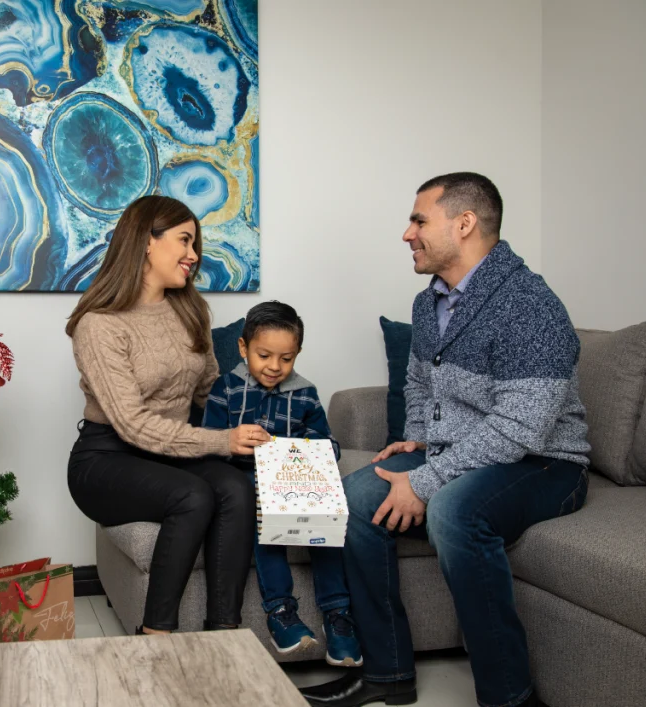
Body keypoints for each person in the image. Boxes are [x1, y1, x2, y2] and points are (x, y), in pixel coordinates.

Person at [301, 173, 590, 707]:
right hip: (465, 454)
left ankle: (509, 696)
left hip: (546, 463)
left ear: (464, 224)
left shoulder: (529, 304)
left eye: (418, 220)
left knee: (453, 512)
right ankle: (386, 675)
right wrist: (416, 441)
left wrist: (429, 479)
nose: (406, 234)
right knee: (357, 499)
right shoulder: (427, 302)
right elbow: (417, 383)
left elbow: (523, 427)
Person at [66, 195, 268, 635]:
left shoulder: (189, 310)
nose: (194, 255)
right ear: (146, 242)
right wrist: (221, 442)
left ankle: (224, 633)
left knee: (233, 487)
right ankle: (155, 634)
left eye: (195, 243)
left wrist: (264, 411)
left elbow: (207, 394)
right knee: (191, 496)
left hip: (170, 452)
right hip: (106, 458)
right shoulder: (100, 324)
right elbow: (133, 424)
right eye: (184, 240)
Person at [201, 300, 363, 666]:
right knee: (263, 520)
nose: (275, 367)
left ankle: (338, 617)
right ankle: (281, 613)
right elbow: (209, 442)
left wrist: (303, 451)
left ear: (297, 354)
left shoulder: (305, 393)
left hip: (295, 478)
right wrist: (234, 441)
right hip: (245, 478)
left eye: (286, 358)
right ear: (243, 348)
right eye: (264, 355)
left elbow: (326, 442)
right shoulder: (225, 388)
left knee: (326, 525)